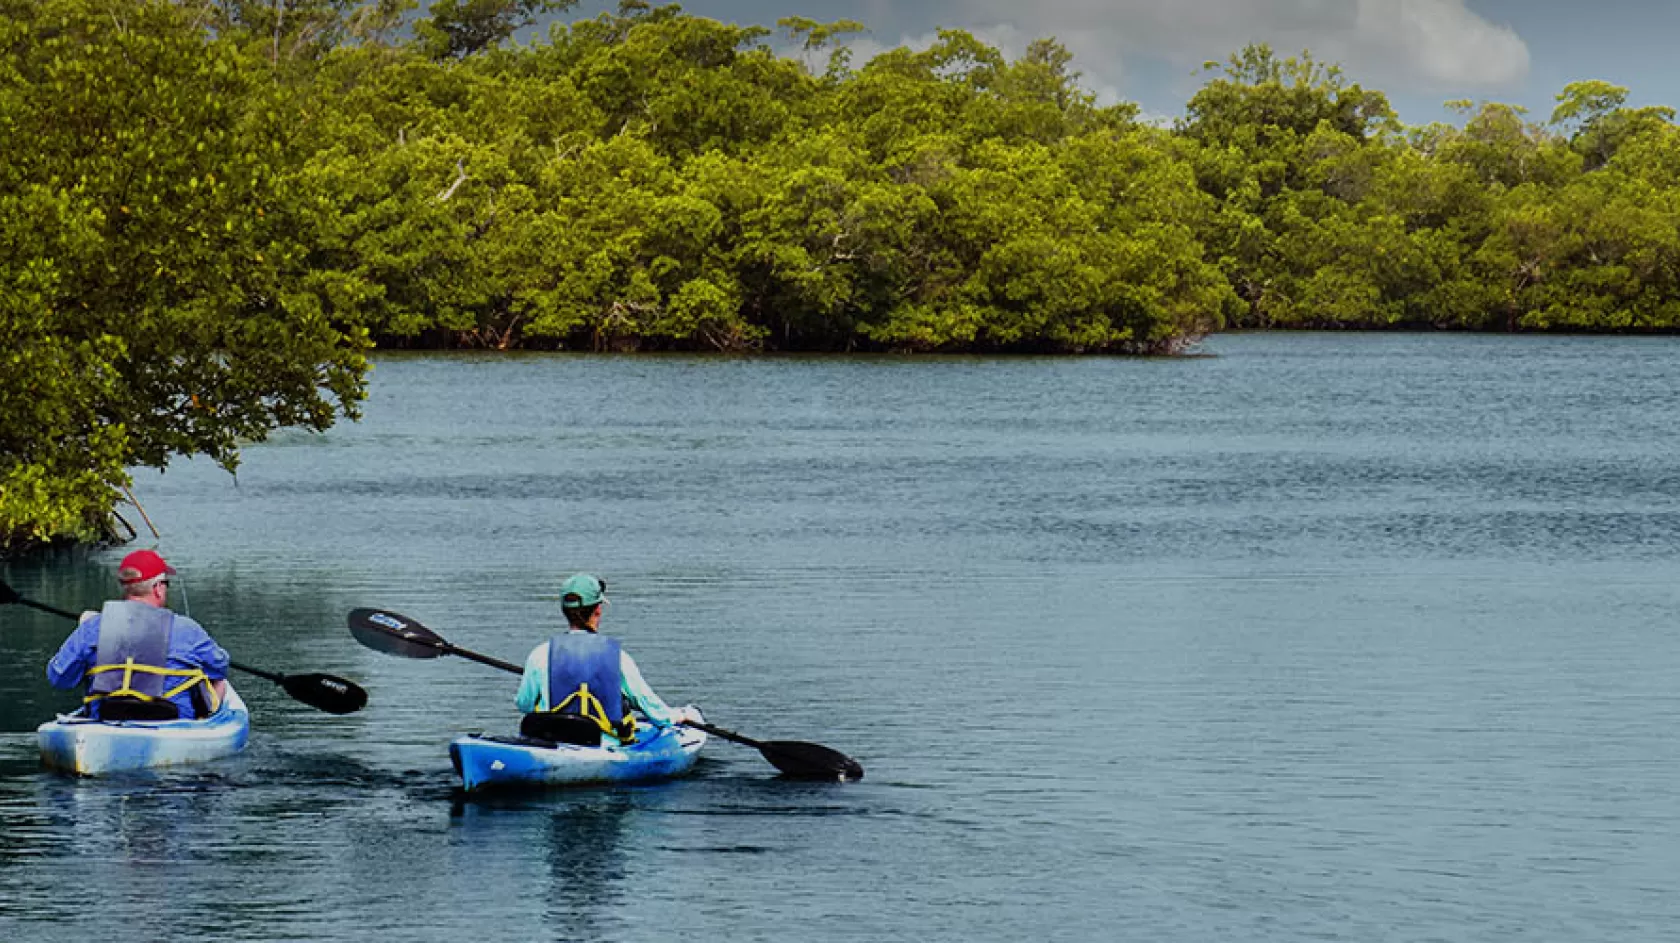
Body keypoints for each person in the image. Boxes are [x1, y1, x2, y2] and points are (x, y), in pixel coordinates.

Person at [515, 573, 700, 743]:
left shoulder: (540, 655)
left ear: (564, 611)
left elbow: (524, 704)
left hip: (552, 740)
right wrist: (679, 716)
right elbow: (649, 706)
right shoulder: (618, 658)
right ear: (598, 610)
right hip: (603, 745)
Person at [46, 549, 230, 720]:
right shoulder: (188, 629)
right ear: (158, 588)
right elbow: (219, 667)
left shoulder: (92, 627)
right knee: (219, 682)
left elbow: (59, 678)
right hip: (172, 722)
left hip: (108, 718)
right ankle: (205, 723)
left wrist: (86, 633)